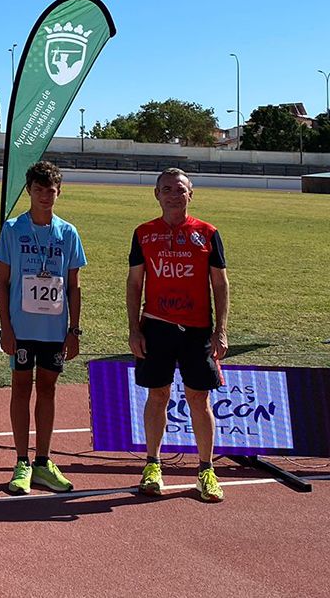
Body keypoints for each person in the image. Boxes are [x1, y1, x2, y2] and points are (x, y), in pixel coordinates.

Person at [127, 168, 229, 503]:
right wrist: (134, 329)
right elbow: (135, 284)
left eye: (180, 189)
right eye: (167, 189)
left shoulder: (208, 233)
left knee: (199, 398)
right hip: (156, 327)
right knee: (157, 395)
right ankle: (152, 466)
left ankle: (206, 470)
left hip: (197, 331)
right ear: (156, 194)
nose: (174, 195)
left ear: (191, 194)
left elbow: (219, 284)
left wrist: (221, 330)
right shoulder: (143, 233)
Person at [0, 160, 86, 495]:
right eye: (38, 190)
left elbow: (74, 286)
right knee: (21, 389)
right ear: (29, 191)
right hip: (21, 328)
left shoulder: (68, 233)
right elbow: (2, 282)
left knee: (48, 389)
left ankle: (43, 462)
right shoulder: (12, 229)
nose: (45, 197)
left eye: (50, 191)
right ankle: (22, 462)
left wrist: (74, 330)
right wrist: (5, 328)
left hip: (53, 329)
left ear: (58, 192)